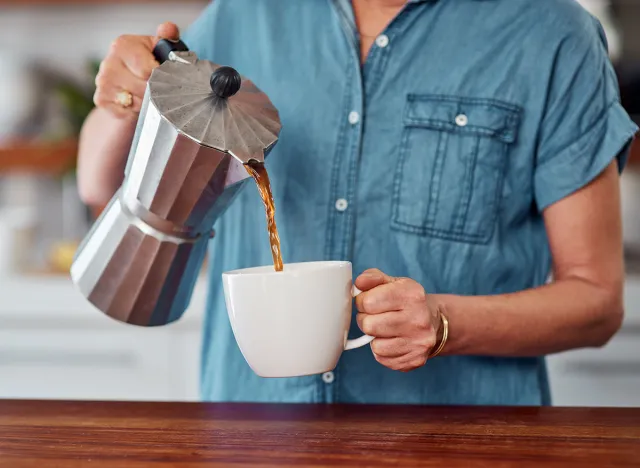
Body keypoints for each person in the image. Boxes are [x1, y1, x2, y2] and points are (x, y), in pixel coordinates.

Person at [77, 0, 638, 405]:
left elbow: (596, 300)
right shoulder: (241, 16)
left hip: (463, 442)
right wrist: (120, 102)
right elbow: (98, 186)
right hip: (252, 439)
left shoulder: (552, 36)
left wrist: (445, 323)